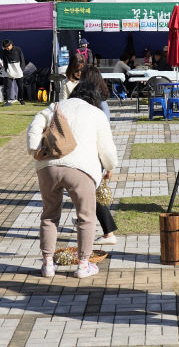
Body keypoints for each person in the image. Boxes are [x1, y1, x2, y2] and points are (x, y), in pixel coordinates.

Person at [26, 82, 118, 278]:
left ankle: (47, 264)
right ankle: (83, 265)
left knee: (49, 215)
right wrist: (109, 167)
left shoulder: (55, 106)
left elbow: (35, 124)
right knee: (86, 217)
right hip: (81, 169)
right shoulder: (96, 114)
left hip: (48, 166)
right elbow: (108, 150)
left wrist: (34, 149)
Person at [78, 67, 118, 244]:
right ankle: (84, 219)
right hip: (94, 152)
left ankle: (109, 232)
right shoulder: (99, 102)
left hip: (93, 152)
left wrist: (107, 165)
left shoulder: (97, 104)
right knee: (87, 190)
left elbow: (103, 134)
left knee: (92, 191)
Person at [1, 39, 26, 106]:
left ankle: (21, 99)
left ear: (11, 44)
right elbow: (4, 61)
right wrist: (6, 69)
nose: (7, 48)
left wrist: (22, 69)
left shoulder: (18, 49)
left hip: (18, 70)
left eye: (7, 47)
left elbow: (22, 59)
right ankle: (8, 101)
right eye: (5, 47)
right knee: (8, 86)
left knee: (20, 86)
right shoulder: (4, 51)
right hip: (10, 70)